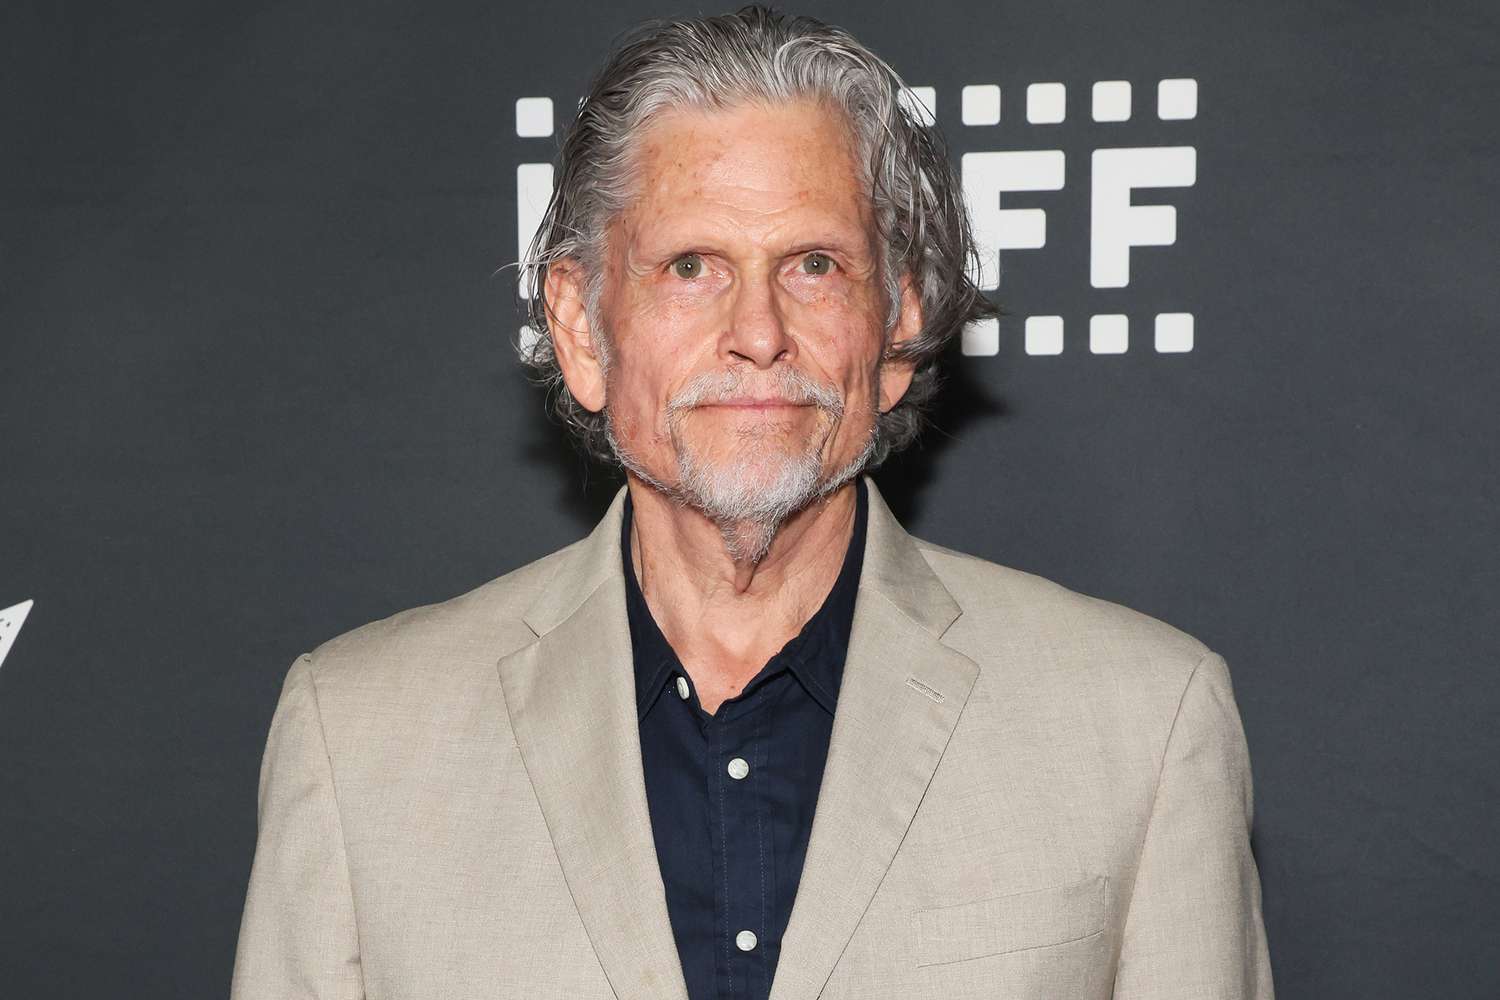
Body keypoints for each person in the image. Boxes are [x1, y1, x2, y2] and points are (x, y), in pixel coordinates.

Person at [230, 6, 1274, 998]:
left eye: (815, 265)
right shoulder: (360, 740)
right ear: (584, 329)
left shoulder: (1139, 725)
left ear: (898, 322)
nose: (759, 332)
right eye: (693, 267)